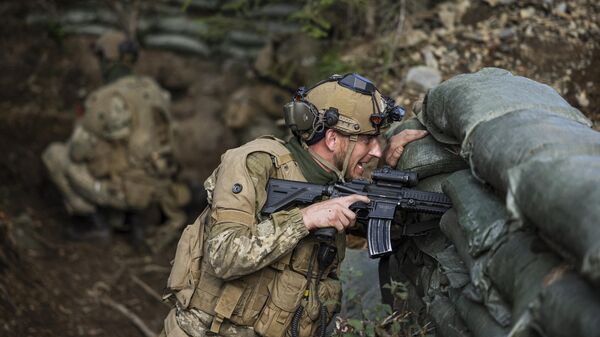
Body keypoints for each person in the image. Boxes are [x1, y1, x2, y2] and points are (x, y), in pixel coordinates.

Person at [160, 73, 427, 337]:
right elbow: (223, 254)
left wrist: (389, 168)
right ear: (332, 139)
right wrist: (305, 220)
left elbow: (393, 229)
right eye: (368, 140)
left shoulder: (337, 181)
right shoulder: (255, 163)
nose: (376, 151)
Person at [42, 30, 188, 250]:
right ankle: (132, 218)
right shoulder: (153, 89)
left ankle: (93, 222)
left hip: (127, 191)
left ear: (106, 60)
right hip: (160, 187)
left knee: (55, 155)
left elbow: (76, 152)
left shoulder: (105, 98)